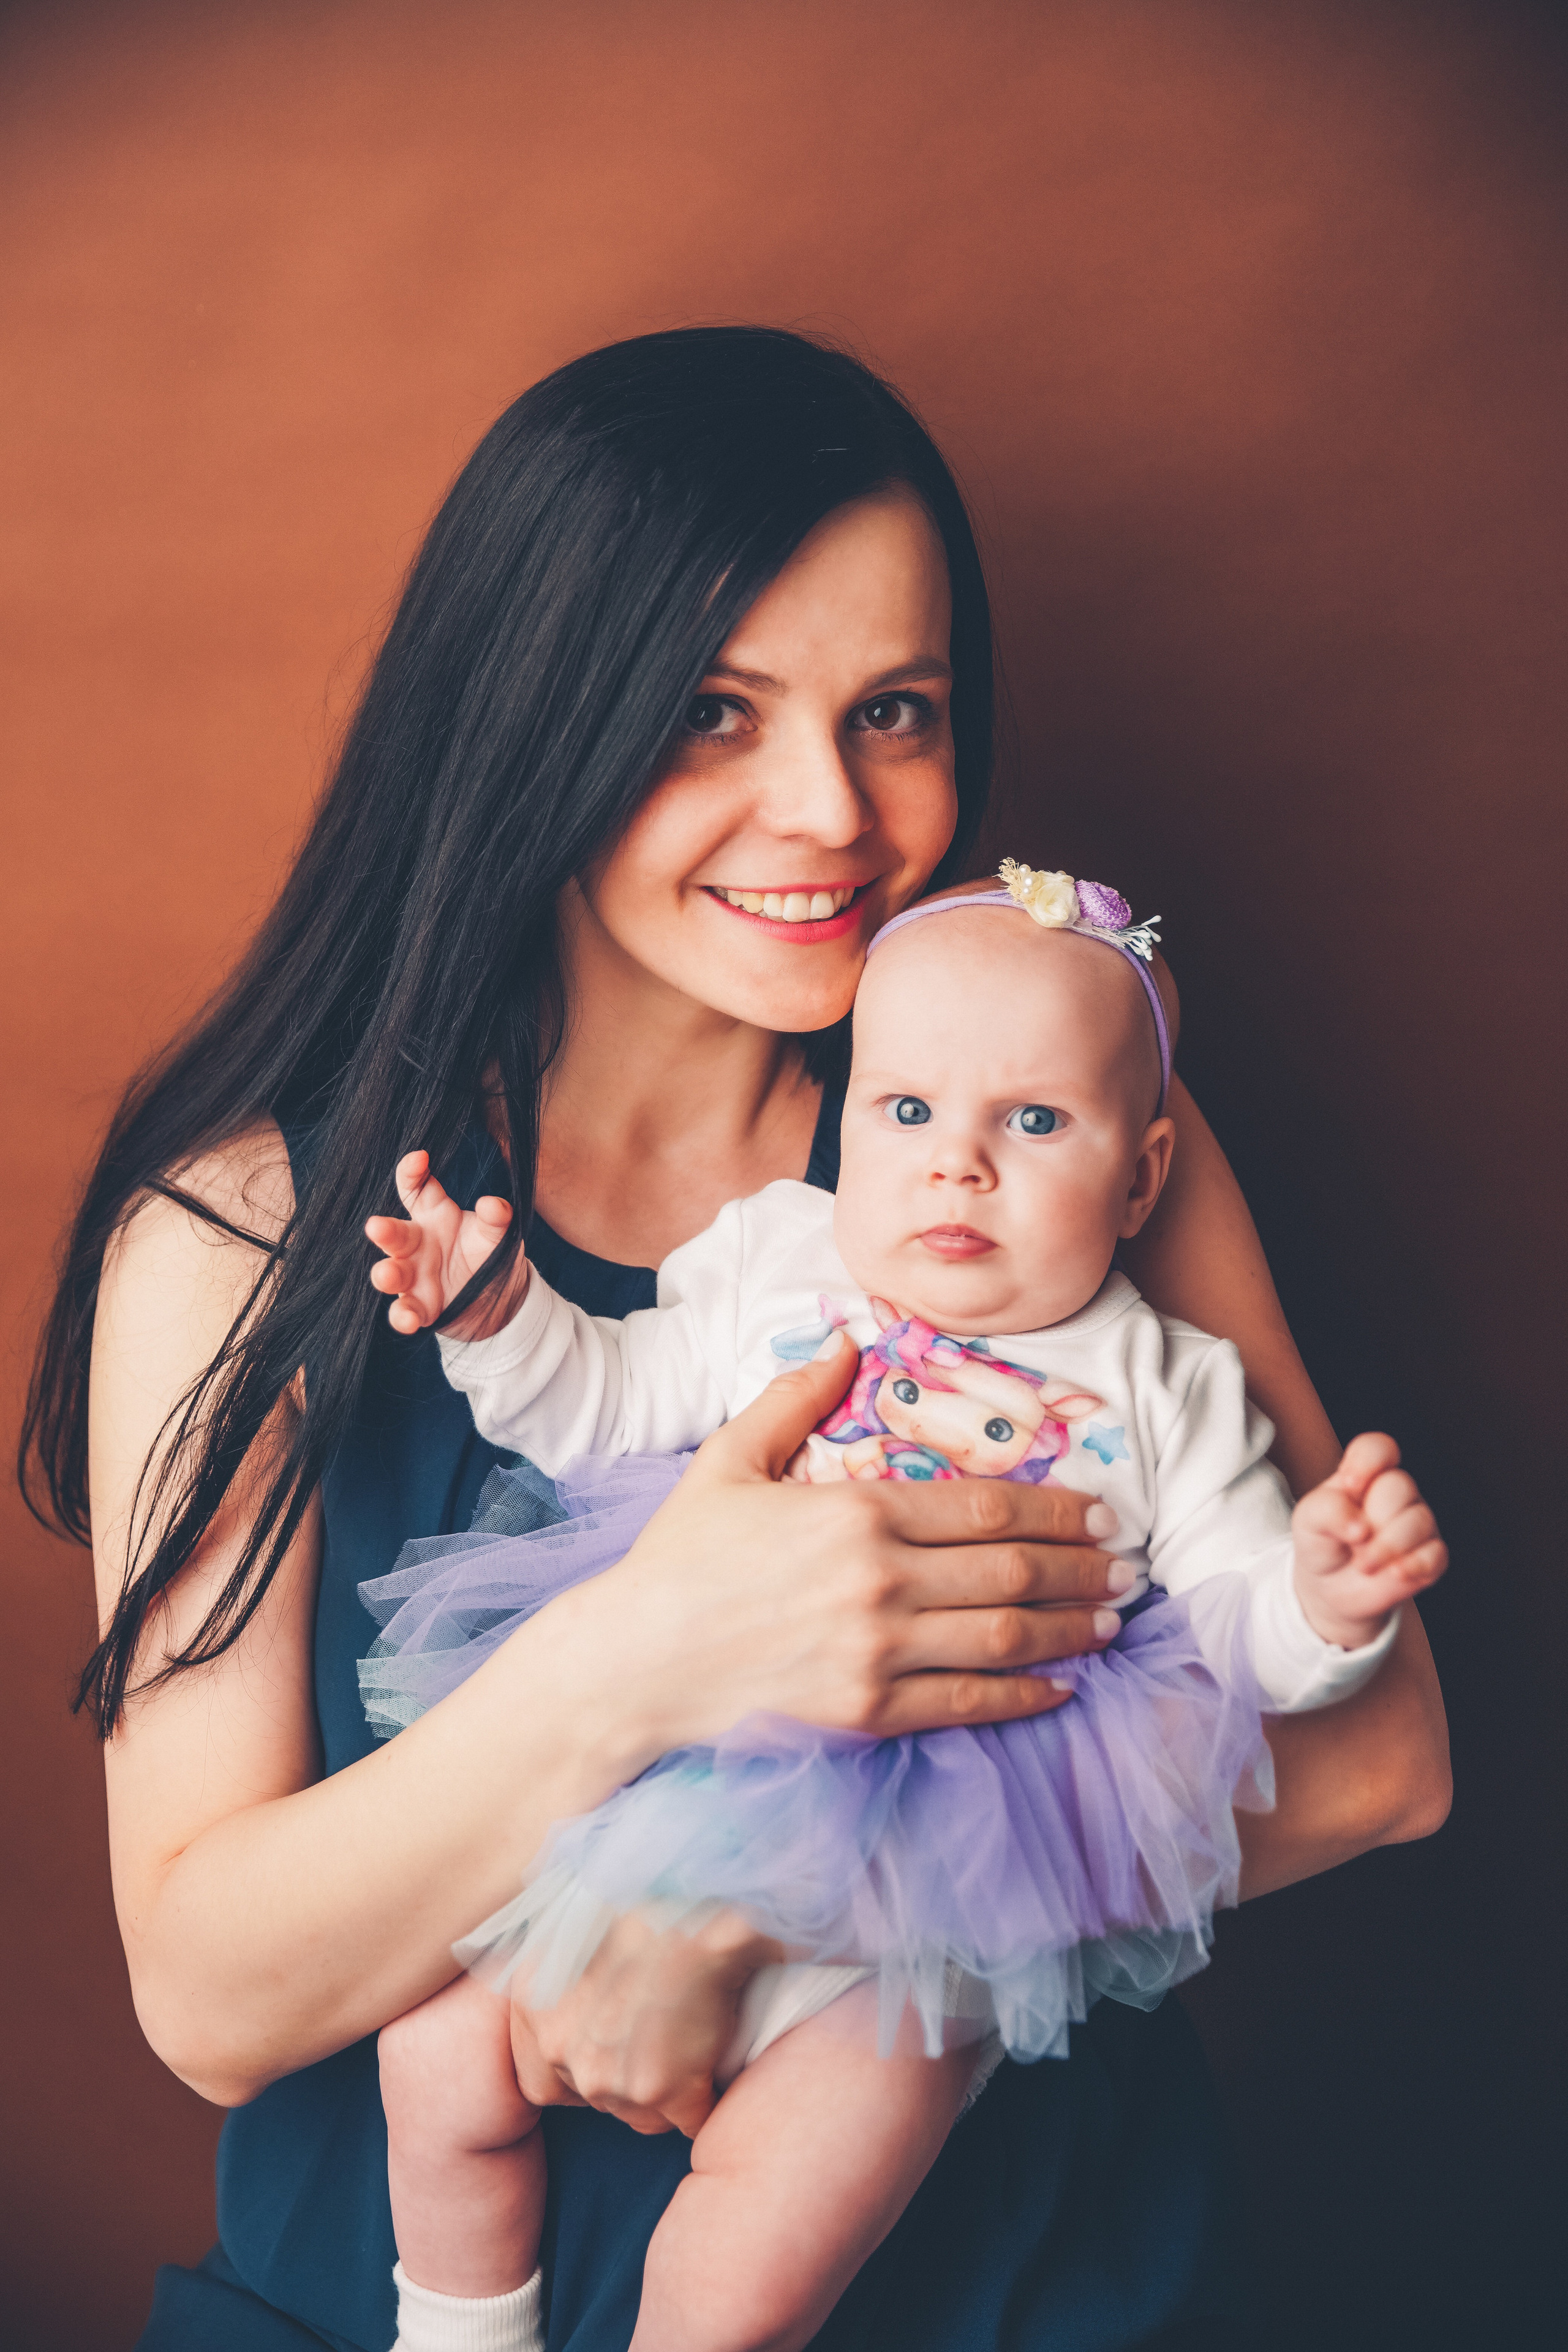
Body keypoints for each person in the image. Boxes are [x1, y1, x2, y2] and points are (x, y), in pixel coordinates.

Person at [20, 326, 1452, 2352]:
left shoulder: (1048, 1135)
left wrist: (776, 1909)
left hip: (1020, 2300)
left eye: (895, 711)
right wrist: (653, 1656)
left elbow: (1382, 1760)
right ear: (530, 724)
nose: (831, 813)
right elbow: (212, 1993)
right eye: (711, 710)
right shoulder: (247, 1231)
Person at [358, 869, 1446, 2352]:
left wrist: (1323, 1599)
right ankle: (460, 2333)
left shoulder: (1163, 1389)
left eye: (1034, 1123)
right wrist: (501, 1320)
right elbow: (607, 1403)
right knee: (431, 2059)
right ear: (851, 1119)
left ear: (1140, 1179)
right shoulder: (779, 1270)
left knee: (745, 2270)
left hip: (928, 1906)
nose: (958, 1168)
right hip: (673, 1801)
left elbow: (1244, 1629)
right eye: (908, 1112)